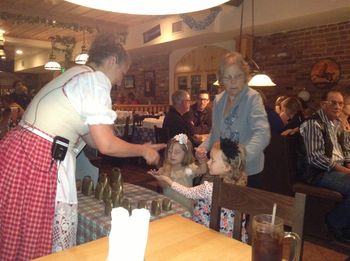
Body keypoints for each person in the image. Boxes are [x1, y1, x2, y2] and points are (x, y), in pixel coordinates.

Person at [0, 33, 165, 260]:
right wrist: (143, 151)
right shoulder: (95, 80)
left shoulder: (75, 74)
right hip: (38, 156)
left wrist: (132, 145)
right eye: (122, 74)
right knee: (36, 235)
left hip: (21, 151)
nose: (118, 82)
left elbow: (92, 139)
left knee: (17, 230)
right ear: (112, 61)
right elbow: (105, 144)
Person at [196, 52, 270, 188]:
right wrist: (203, 148)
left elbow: (262, 134)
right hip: (223, 170)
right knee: (222, 208)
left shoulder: (253, 98)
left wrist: (239, 160)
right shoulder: (218, 100)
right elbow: (215, 133)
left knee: (243, 209)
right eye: (228, 77)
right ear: (222, 80)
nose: (233, 81)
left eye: (238, 76)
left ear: (245, 77)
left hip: (248, 171)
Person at [150, 138, 247, 240]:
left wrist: (169, 181)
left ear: (227, 167)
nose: (208, 163)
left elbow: (188, 193)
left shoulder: (209, 188)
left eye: (212, 160)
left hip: (206, 233)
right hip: (231, 237)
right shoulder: (238, 187)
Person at [299, 90, 350, 243]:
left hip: (336, 170)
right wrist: (346, 171)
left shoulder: (337, 124)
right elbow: (316, 159)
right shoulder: (312, 124)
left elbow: (346, 150)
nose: (337, 106)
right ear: (323, 104)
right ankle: (334, 222)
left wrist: (348, 165)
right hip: (317, 173)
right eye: (333, 102)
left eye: (340, 103)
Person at [148, 133, 206, 211]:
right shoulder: (165, 169)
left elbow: (203, 170)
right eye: (169, 151)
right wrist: (159, 178)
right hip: (169, 207)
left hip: (185, 208)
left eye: (177, 152)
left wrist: (201, 160)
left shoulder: (188, 169)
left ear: (186, 154)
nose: (172, 155)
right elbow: (163, 185)